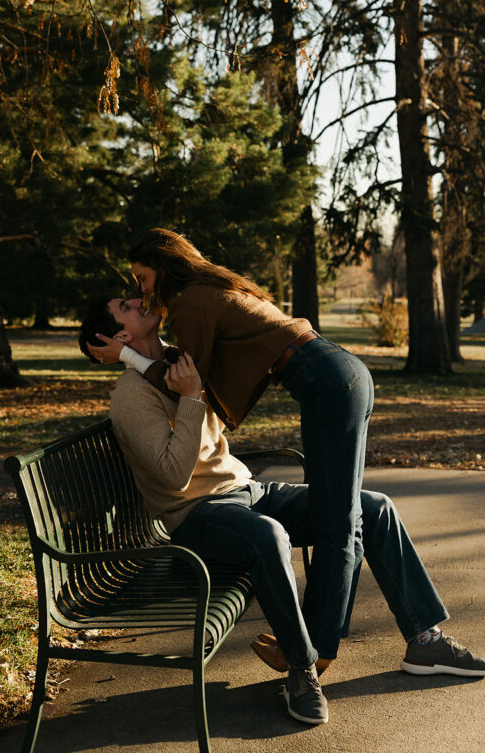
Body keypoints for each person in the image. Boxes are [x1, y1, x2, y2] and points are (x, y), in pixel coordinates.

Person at [79, 296, 485, 727]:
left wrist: (175, 380)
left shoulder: (177, 360)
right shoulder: (130, 396)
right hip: (196, 513)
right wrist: (190, 399)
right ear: (121, 335)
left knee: (372, 507)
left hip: (247, 490)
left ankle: (424, 639)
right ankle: (302, 669)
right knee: (269, 536)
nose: (139, 299)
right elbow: (172, 476)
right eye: (125, 305)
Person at [86, 228, 373, 673]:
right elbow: (190, 389)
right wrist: (138, 364)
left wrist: (129, 358)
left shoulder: (190, 303)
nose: (141, 294)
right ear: (119, 334)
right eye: (131, 297)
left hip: (326, 382)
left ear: (164, 267)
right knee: (358, 512)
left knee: (339, 520)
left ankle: (317, 651)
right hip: (336, 372)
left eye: (141, 280)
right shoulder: (201, 294)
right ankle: (418, 634)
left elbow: (187, 382)